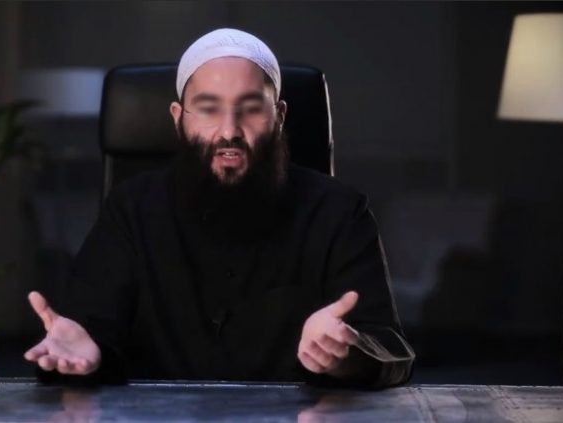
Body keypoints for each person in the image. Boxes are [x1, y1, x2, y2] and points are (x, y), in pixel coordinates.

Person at [24, 28, 415, 389]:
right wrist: (83, 352)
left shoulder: (339, 212)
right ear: (178, 119)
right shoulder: (131, 210)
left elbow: (390, 350)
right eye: (208, 109)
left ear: (279, 117)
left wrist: (347, 354)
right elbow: (86, 333)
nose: (229, 131)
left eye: (251, 108)